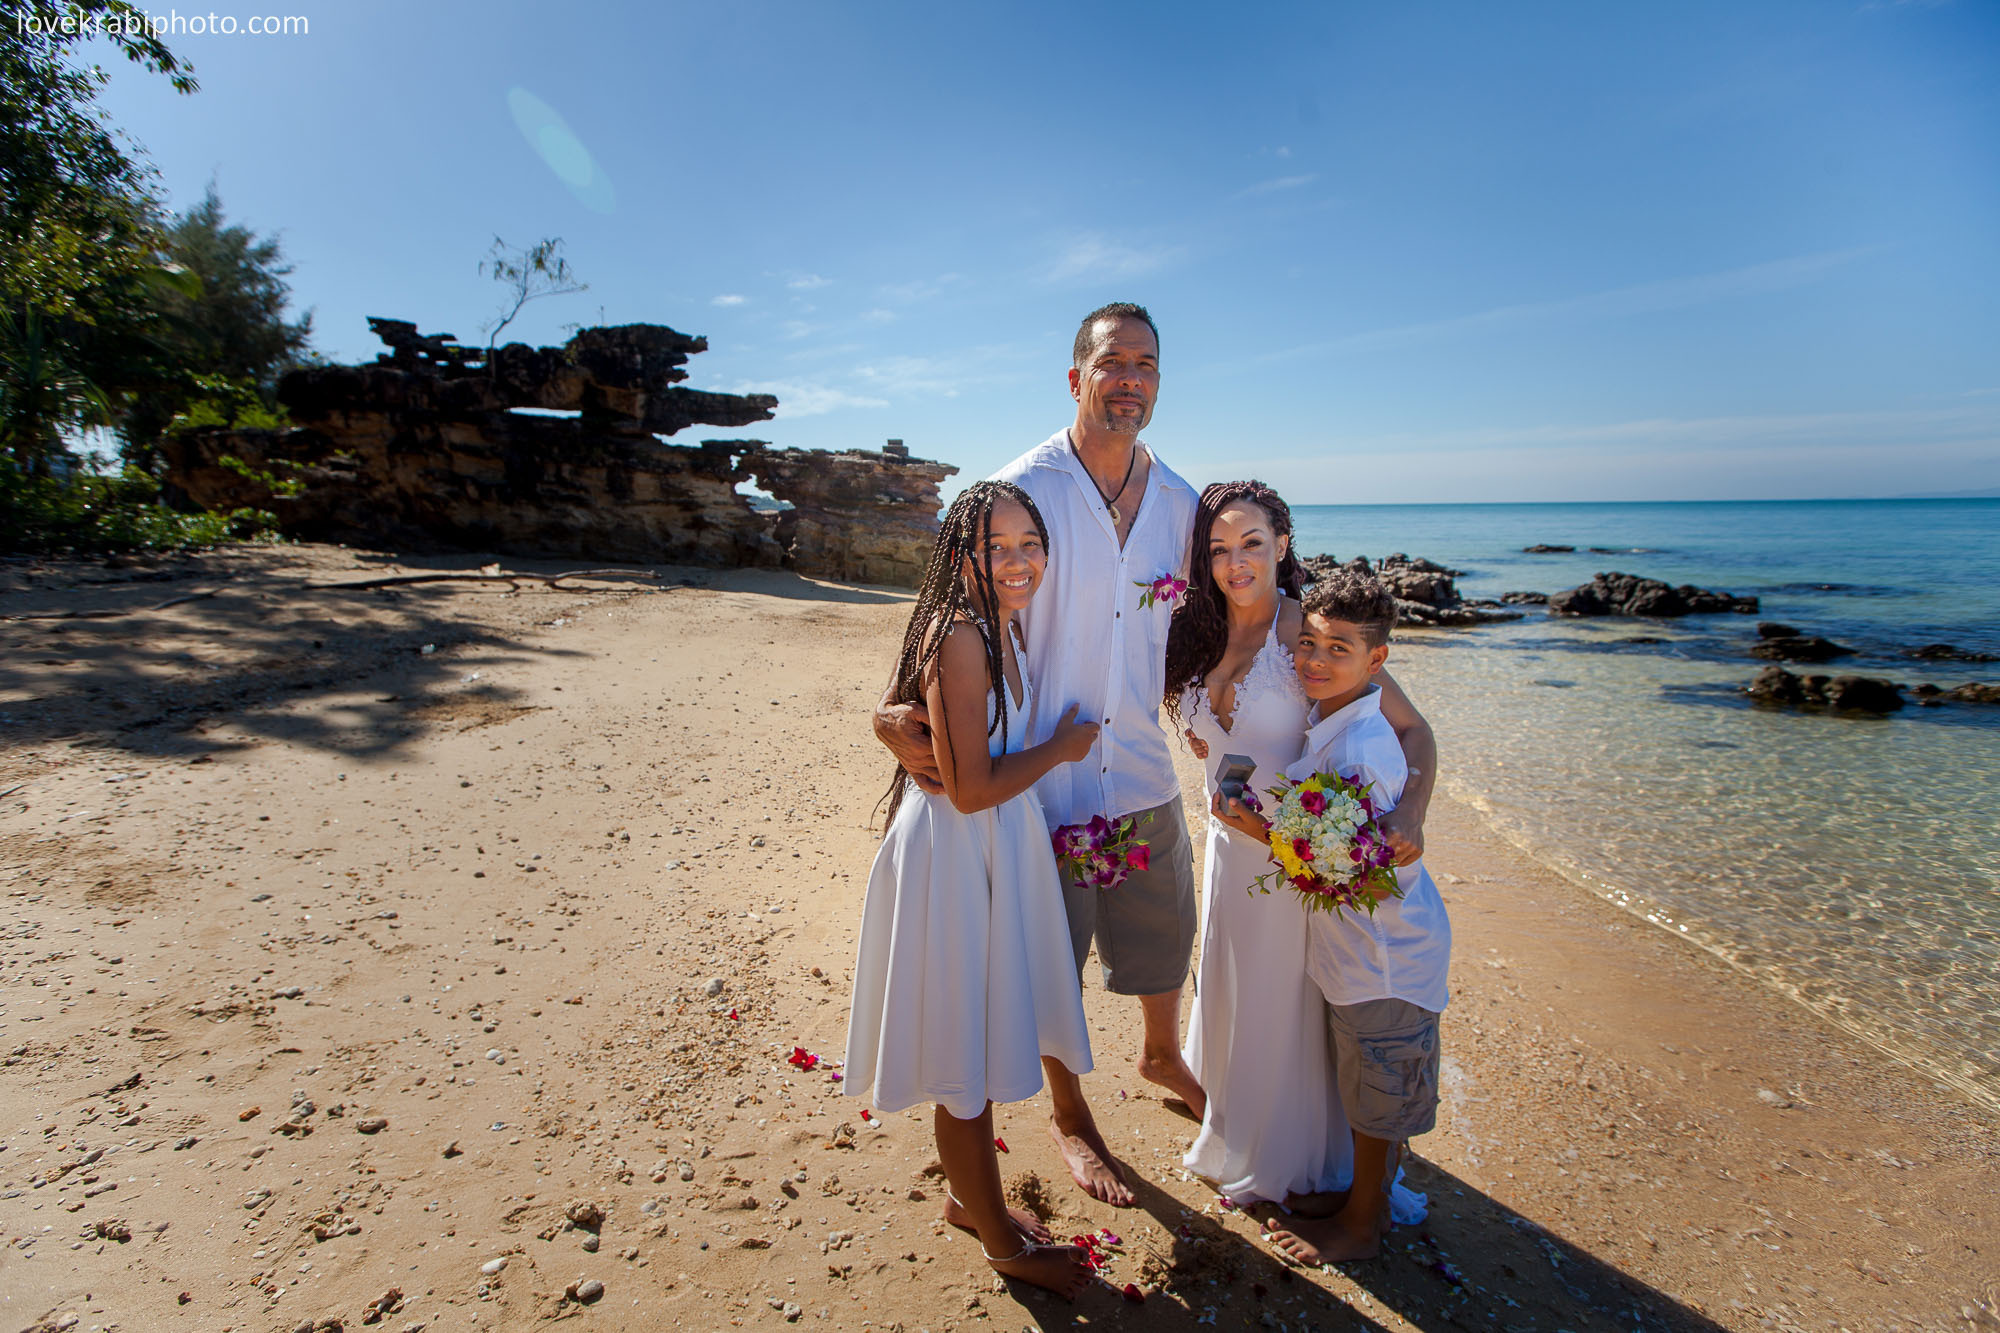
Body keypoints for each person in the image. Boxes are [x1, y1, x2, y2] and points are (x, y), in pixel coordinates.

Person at [875, 303, 1437, 1207]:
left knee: (1163, 936)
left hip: (1142, 772)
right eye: (1112, 362)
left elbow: (1224, 613)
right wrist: (893, 708)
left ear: (1160, 383)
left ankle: (1162, 1051)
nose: (1129, 378)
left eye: (1146, 364)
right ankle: (1070, 1114)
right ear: (1077, 377)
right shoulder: (1022, 492)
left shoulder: (1183, 506)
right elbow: (958, 607)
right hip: (1043, 779)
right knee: (1048, 957)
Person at [844, 481, 1101, 1298]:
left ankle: (967, 1198)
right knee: (965, 1060)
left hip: (987, 848)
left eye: (1032, 543)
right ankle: (1002, 1244)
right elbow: (969, 788)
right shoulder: (962, 639)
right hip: (959, 855)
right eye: (1000, 546)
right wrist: (1064, 748)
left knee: (975, 1044)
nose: (1020, 560)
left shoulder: (1000, 627)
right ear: (963, 556)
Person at [1214, 569, 1453, 1263]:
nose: (1315, 661)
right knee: (1363, 1072)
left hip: (1388, 950)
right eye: (1309, 644)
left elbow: (1348, 870)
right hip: (1359, 948)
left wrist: (1256, 830)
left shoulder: (1362, 748)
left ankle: (1363, 1222)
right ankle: (1360, 1196)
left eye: (1338, 649)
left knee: (1380, 1085)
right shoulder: (1336, 717)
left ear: (1376, 661)